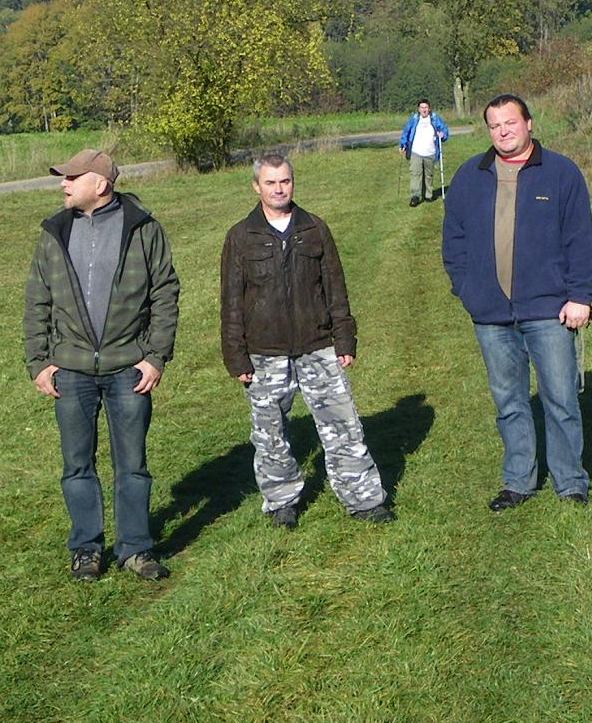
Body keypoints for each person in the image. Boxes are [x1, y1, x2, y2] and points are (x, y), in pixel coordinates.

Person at [23, 148, 180, 581]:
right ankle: (86, 549)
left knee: (132, 465)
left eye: (72, 177)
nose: (63, 184)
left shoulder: (143, 230)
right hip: (70, 369)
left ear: (100, 184)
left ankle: (135, 548)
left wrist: (155, 358)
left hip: (128, 368)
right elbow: (37, 298)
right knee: (77, 466)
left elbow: (164, 294)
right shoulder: (55, 232)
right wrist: (38, 361)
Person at [218, 153, 394, 527]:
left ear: (293, 182)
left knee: (343, 426)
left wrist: (344, 339)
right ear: (256, 187)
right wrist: (236, 356)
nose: (279, 189)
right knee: (269, 435)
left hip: (318, 347)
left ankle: (364, 500)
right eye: (270, 182)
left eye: (285, 181)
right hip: (264, 354)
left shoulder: (314, 228)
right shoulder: (240, 237)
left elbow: (335, 286)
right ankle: (282, 502)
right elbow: (231, 302)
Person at [441, 93, 592, 509]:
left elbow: (580, 239)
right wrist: (468, 289)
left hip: (548, 310)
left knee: (561, 398)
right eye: (494, 125)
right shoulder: (469, 176)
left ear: (529, 123)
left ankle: (570, 482)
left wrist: (580, 295)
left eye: (510, 122)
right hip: (491, 315)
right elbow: (453, 240)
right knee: (509, 402)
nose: (503, 131)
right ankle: (518, 481)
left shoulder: (561, 174)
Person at [399, 98, 447, 205]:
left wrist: (442, 134)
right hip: (416, 151)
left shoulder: (435, 119)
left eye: (426, 107)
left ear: (429, 109)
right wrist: (402, 144)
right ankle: (415, 197)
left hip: (430, 152)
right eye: (422, 107)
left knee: (429, 175)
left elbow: (444, 130)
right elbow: (406, 132)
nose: (424, 109)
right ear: (418, 109)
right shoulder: (414, 119)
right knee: (415, 174)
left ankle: (428, 195)